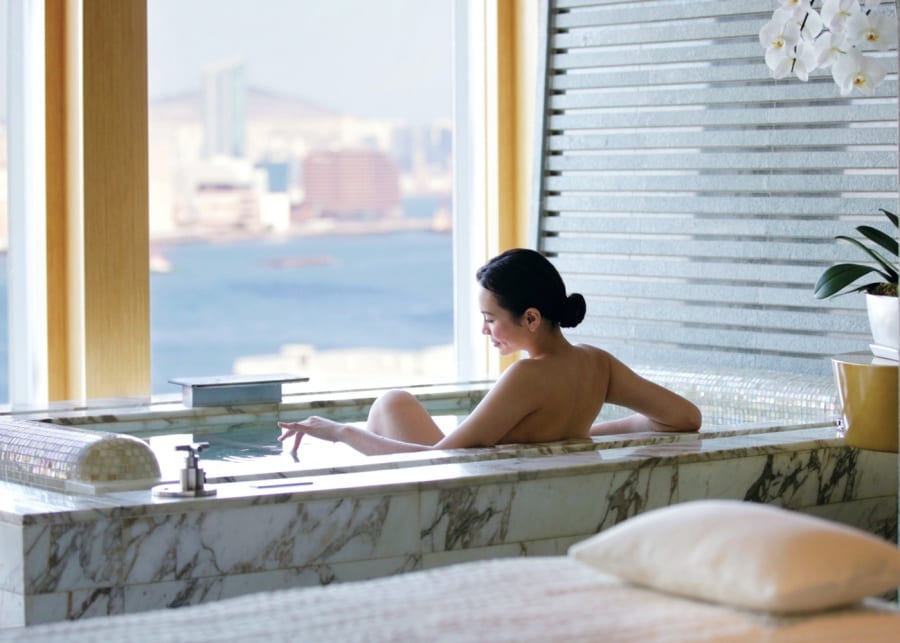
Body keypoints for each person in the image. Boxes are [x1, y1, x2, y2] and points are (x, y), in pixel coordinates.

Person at [277, 248, 701, 456]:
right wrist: (582, 434)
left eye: (491, 318)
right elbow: (685, 417)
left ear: (531, 319)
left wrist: (341, 433)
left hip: (466, 496)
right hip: (494, 479)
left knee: (390, 403)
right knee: (398, 403)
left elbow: (441, 462)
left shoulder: (527, 377)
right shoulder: (597, 365)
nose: (483, 330)